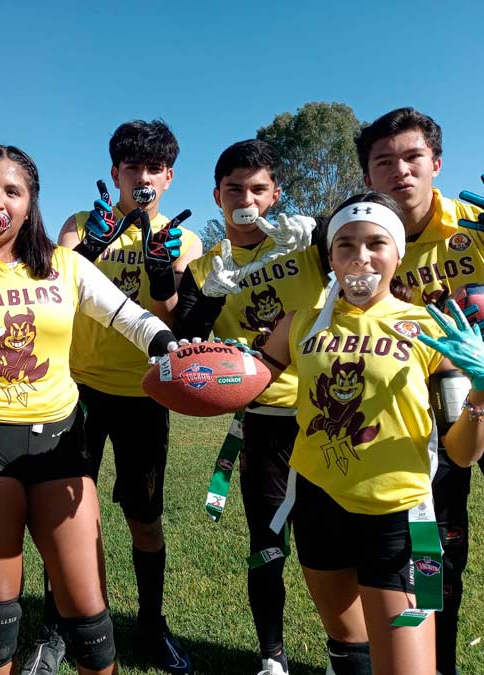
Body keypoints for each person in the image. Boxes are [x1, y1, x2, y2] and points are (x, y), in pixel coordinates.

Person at [0, 145, 178, 675]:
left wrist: (167, 345)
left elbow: (131, 318)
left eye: (12, 190)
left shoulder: (65, 265)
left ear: (30, 202)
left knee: (91, 622)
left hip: (60, 444)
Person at [229, 191, 484, 675]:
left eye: (376, 243)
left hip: (398, 518)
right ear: (330, 256)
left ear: (398, 252)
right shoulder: (299, 323)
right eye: (346, 245)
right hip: (318, 504)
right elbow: (246, 385)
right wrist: (210, 366)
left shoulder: (428, 327)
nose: (360, 257)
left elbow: (463, 454)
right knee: (348, 646)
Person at [355, 107, 484, 675]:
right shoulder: (366, 238)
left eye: (412, 157)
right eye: (384, 162)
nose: (400, 171)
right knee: (436, 553)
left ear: (435, 163)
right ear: (369, 176)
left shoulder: (477, 223)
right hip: (416, 406)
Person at [43, 119, 201, 675]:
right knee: (65, 516)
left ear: (169, 177)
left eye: (153, 168)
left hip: (143, 393)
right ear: (115, 173)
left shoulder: (185, 236)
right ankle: (59, 624)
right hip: (77, 388)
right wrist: (91, 244)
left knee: (145, 516)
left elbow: (174, 321)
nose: (143, 177)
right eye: (132, 167)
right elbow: (55, 289)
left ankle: (152, 626)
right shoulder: (79, 223)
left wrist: (164, 275)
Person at [174, 139, 323, 675]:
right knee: (267, 544)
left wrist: (323, 232)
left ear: (275, 194)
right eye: (234, 188)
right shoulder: (204, 267)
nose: (247, 199)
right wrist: (212, 293)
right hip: (263, 421)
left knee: (334, 543)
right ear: (216, 195)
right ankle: (272, 657)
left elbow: (369, 247)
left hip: (328, 416)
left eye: (258, 188)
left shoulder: (305, 243)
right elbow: (183, 339)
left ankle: (346, 651)